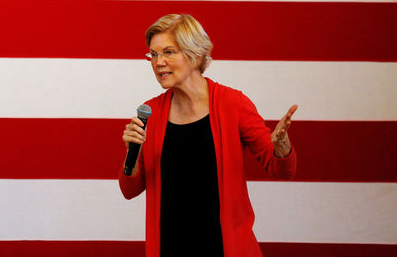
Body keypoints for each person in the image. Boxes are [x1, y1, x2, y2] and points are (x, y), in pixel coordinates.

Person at [119, 13, 297, 257]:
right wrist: (132, 151)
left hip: (225, 249)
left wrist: (282, 147)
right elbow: (129, 190)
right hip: (170, 247)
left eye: (169, 52)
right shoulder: (151, 112)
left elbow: (281, 169)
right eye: (154, 54)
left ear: (195, 55)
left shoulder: (233, 103)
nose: (158, 62)